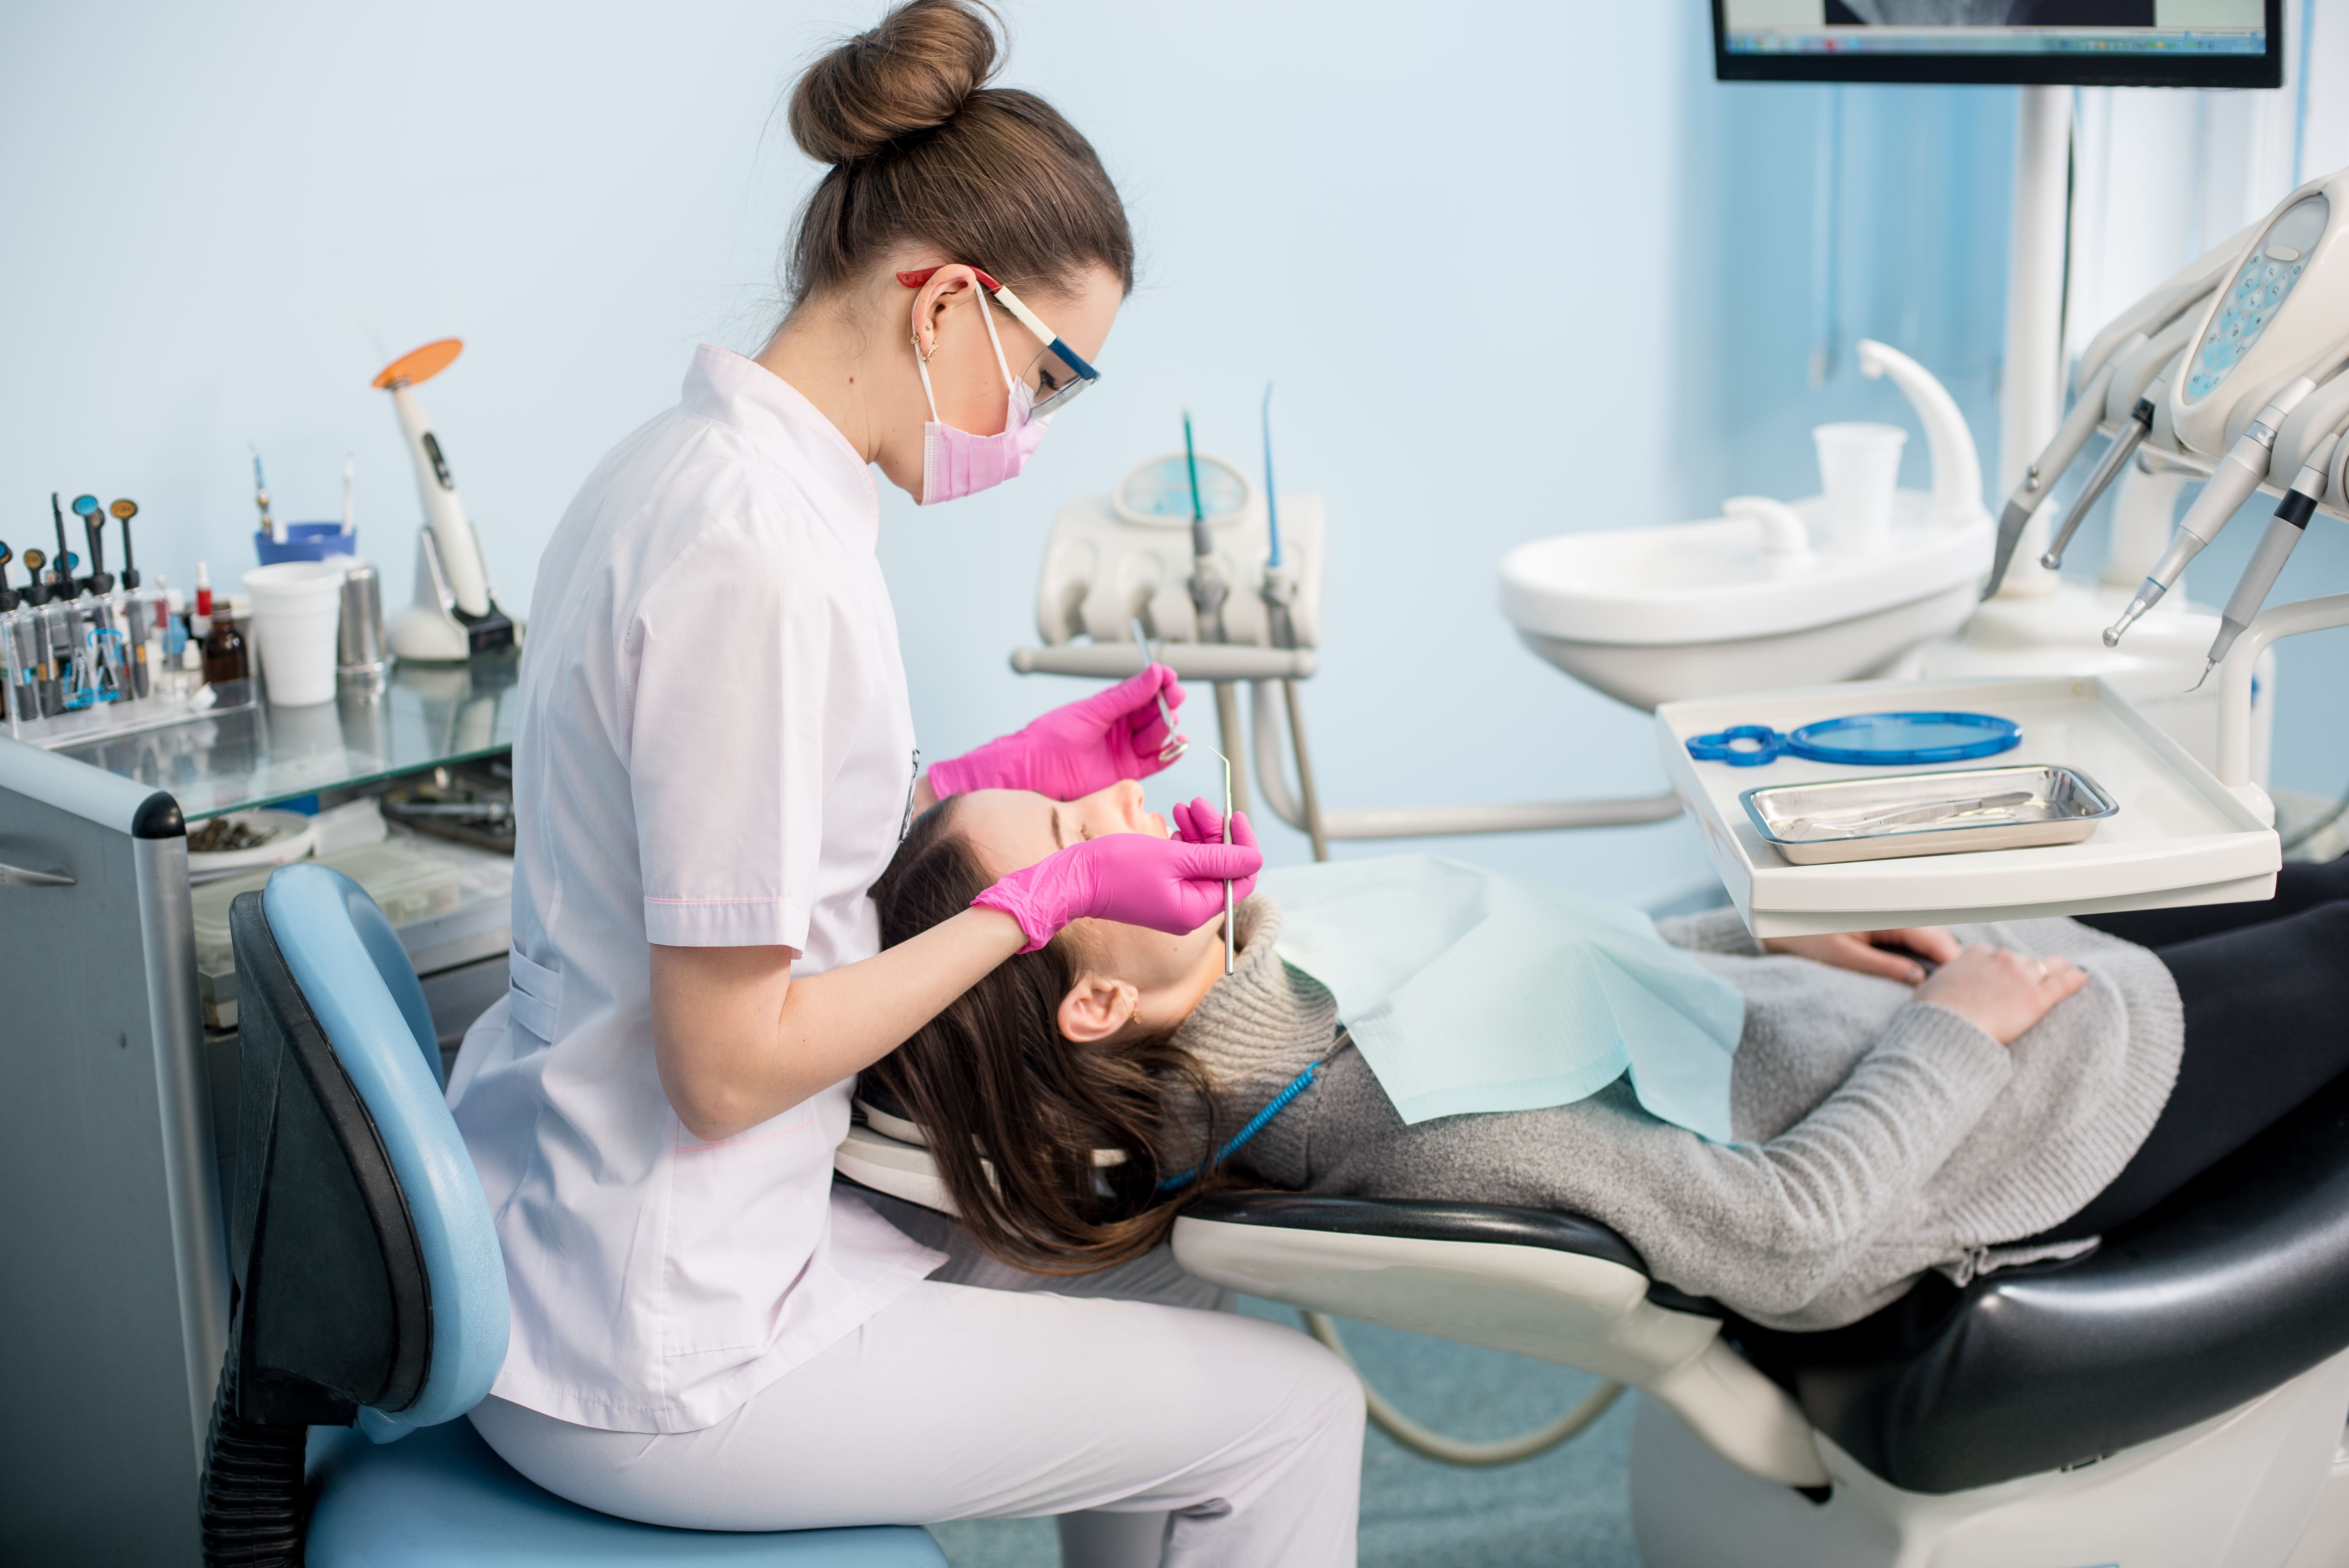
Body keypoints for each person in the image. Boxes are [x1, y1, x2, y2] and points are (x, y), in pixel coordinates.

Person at [446, 4, 1363, 1560]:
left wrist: (1014, 775)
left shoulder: (686, 470)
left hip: (592, 1233)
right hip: (673, 1344)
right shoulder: (764, 565)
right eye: (1053, 374)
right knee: (1296, 1412)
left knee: (1173, 1258)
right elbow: (729, 1066)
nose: (1040, 426)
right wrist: (1038, 900)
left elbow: (751, 842)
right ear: (942, 302)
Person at [866, 780, 2349, 1330]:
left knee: (2283, 864)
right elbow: (1785, 1238)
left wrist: (1743, 941)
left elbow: (1551, 979)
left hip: (1908, 1004)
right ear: (1094, 1009)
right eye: (1072, 836)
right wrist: (1957, 1037)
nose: (1117, 798)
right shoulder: (1399, 1121)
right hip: (2032, 1106)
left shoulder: (1291, 960)